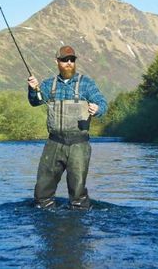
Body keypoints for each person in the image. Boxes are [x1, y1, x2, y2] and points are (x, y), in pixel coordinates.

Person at [27, 45, 108, 210]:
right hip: (54, 144)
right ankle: (44, 220)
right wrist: (33, 88)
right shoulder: (49, 84)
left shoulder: (86, 83)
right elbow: (35, 101)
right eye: (64, 60)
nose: (69, 63)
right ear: (57, 61)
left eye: (72, 60)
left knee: (77, 194)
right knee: (42, 193)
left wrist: (98, 109)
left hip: (79, 145)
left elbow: (103, 103)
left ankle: (78, 221)